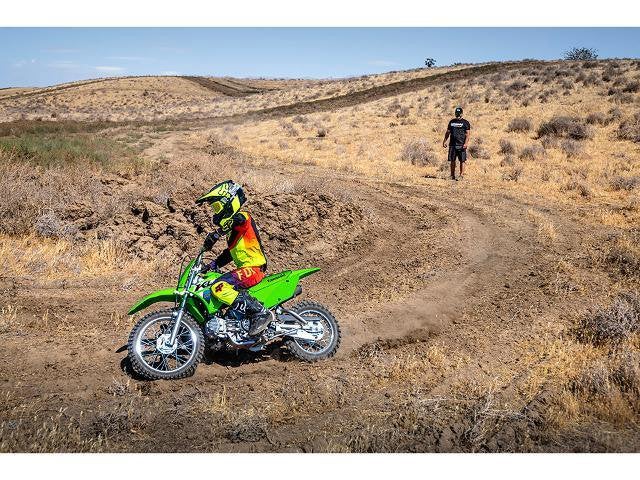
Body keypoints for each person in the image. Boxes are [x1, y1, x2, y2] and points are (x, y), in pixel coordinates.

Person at [195, 180, 272, 336]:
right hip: (247, 269)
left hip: (253, 268)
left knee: (219, 287)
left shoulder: (244, 217)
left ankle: (260, 312)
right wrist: (210, 266)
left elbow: (238, 220)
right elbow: (229, 254)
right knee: (215, 282)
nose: (215, 212)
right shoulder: (233, 233)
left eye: (217, 207)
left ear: (229, 202)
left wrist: (217, 234)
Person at [442, 106, 471, 181]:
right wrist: (444, 141)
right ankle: (452, 175)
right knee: (452, 160)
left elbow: (468, 134)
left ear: (462, 114)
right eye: (456, 113)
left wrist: (466, 143)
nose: (458, 115)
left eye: (459, 113)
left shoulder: (466, 123)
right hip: (452, 144)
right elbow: (448, 132)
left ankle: (461, 175)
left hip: (461, 144)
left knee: (462, 160)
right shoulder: (452, 122)